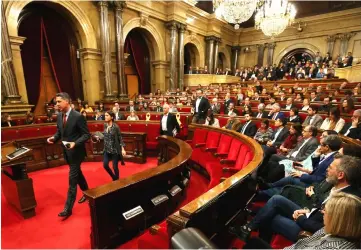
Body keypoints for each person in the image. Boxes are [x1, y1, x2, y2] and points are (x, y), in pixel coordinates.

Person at [241, 193, 361, 249]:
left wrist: (301, 218)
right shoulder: (328, 229)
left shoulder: (334, 248)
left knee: (254, 243)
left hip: (305, 226)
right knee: (254, 242)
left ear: (338, 220)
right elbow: (301, 244)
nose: (322, 212)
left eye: (326, 211)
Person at [46, 92, 90, 219]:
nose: (57, 104)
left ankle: (68, 208)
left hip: (76, 152)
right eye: (56, 102)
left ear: (67, 101)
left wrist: (75, 143)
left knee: (72, 180)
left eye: (59, 102)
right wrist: (53, 138)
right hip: (66, 152)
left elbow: (86, 135)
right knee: (78, 173)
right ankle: (88, 193)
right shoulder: (59, 116)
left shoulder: (78, 116)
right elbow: (60, 132)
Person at [94, 111, 126, 181]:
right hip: (106, 149)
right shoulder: (105, 125)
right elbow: (105, 136)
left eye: (107, 115)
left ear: (112, 117)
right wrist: (99, 137)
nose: (105, 117)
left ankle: (117, 180)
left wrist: (123, 148)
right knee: (105, 165)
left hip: (114, 150)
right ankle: (114, 177)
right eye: (105, 115)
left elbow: (119, 137)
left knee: (115, 167)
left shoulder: (116, 127)